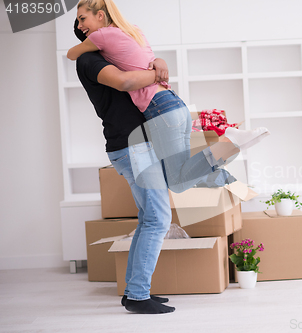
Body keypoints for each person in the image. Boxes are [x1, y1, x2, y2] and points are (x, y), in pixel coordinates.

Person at [68, 0, 270, 194]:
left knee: (176, 182)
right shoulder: (133, 30)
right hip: (174, 105)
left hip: (158, 110)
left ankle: (230, 144)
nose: (80, 25)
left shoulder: (101, 36)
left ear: (100, 15)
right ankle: (221, 169)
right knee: (181, 172)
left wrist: (90, 41)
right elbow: (147, 59)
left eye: (82, 19)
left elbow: (71, 53)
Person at [72, 19, 176, 314]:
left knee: (149, 219)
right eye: (84, 21)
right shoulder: (88, 60)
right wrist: (158, 71)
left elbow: (137, 67)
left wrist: (158, 61)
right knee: (158, 218)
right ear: (86, 33)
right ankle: (138, 296)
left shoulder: (111, 55)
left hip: (138, 145)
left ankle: (136, 291)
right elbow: (126, 82)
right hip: (132, 147)